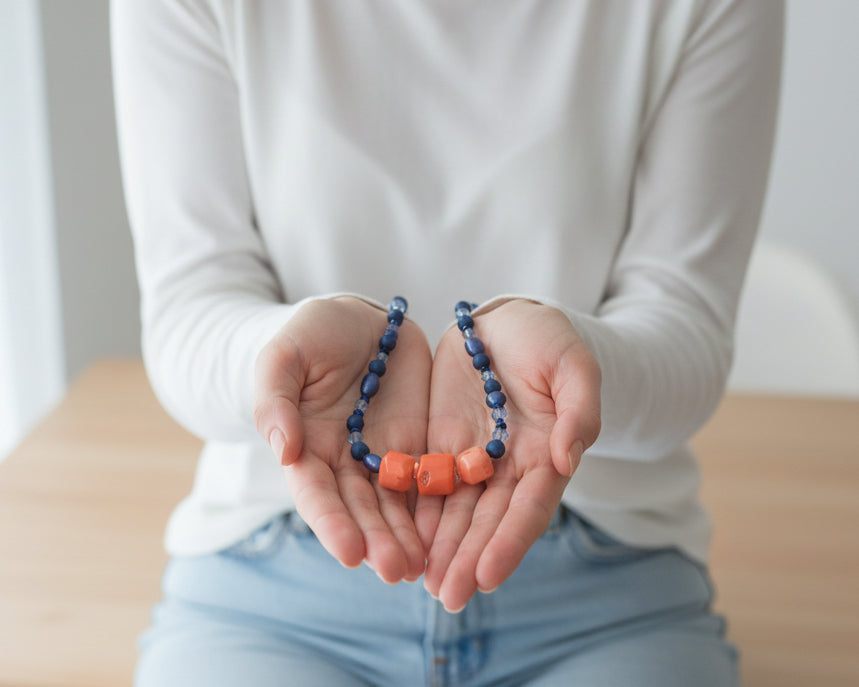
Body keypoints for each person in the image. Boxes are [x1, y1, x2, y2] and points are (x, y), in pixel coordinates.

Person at [111, 1, 783, 684]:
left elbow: (687, 327)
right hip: (276, 590)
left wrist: (578, 360)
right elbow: (188, 311)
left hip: (603, 596)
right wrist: (279, 355)